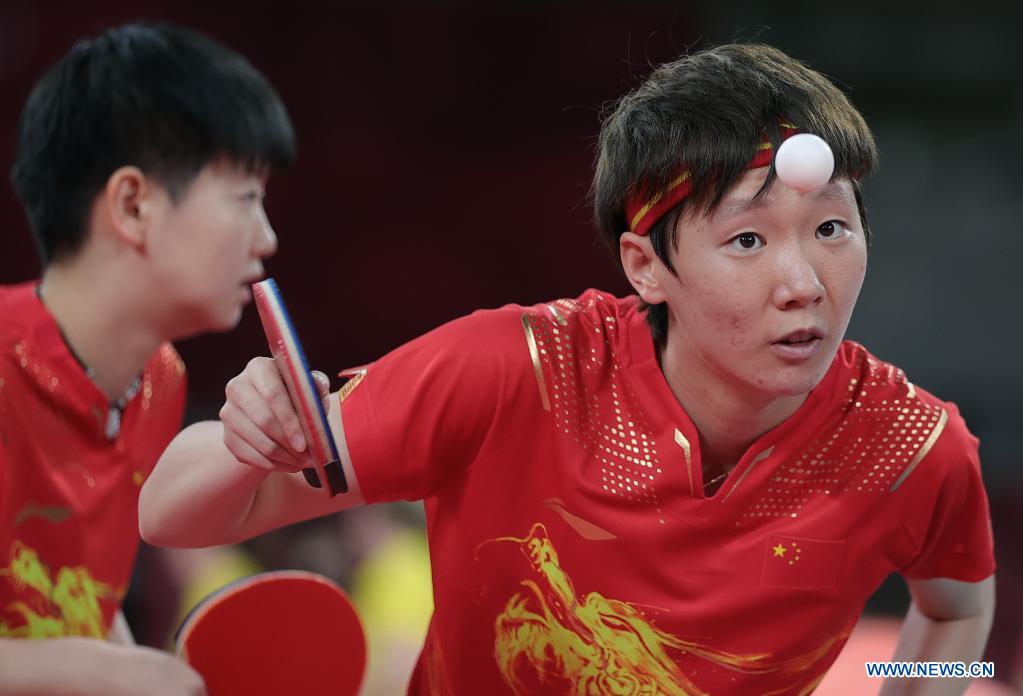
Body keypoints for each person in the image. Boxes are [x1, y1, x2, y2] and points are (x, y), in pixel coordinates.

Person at [140, 44, 995, 694]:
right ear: (645, 267)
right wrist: (247, 442)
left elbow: (958, 615)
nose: (803, 283)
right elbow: (170, 517)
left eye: (831, 229)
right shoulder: (513, 374)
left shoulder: (913, 448)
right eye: (746, 239)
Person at [0, 22, 294, 695]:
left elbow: (78, 601)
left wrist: (133, 667)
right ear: (132, 205)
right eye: (246, 199)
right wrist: (104, 672)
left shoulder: (158, 381)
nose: (267, 238)